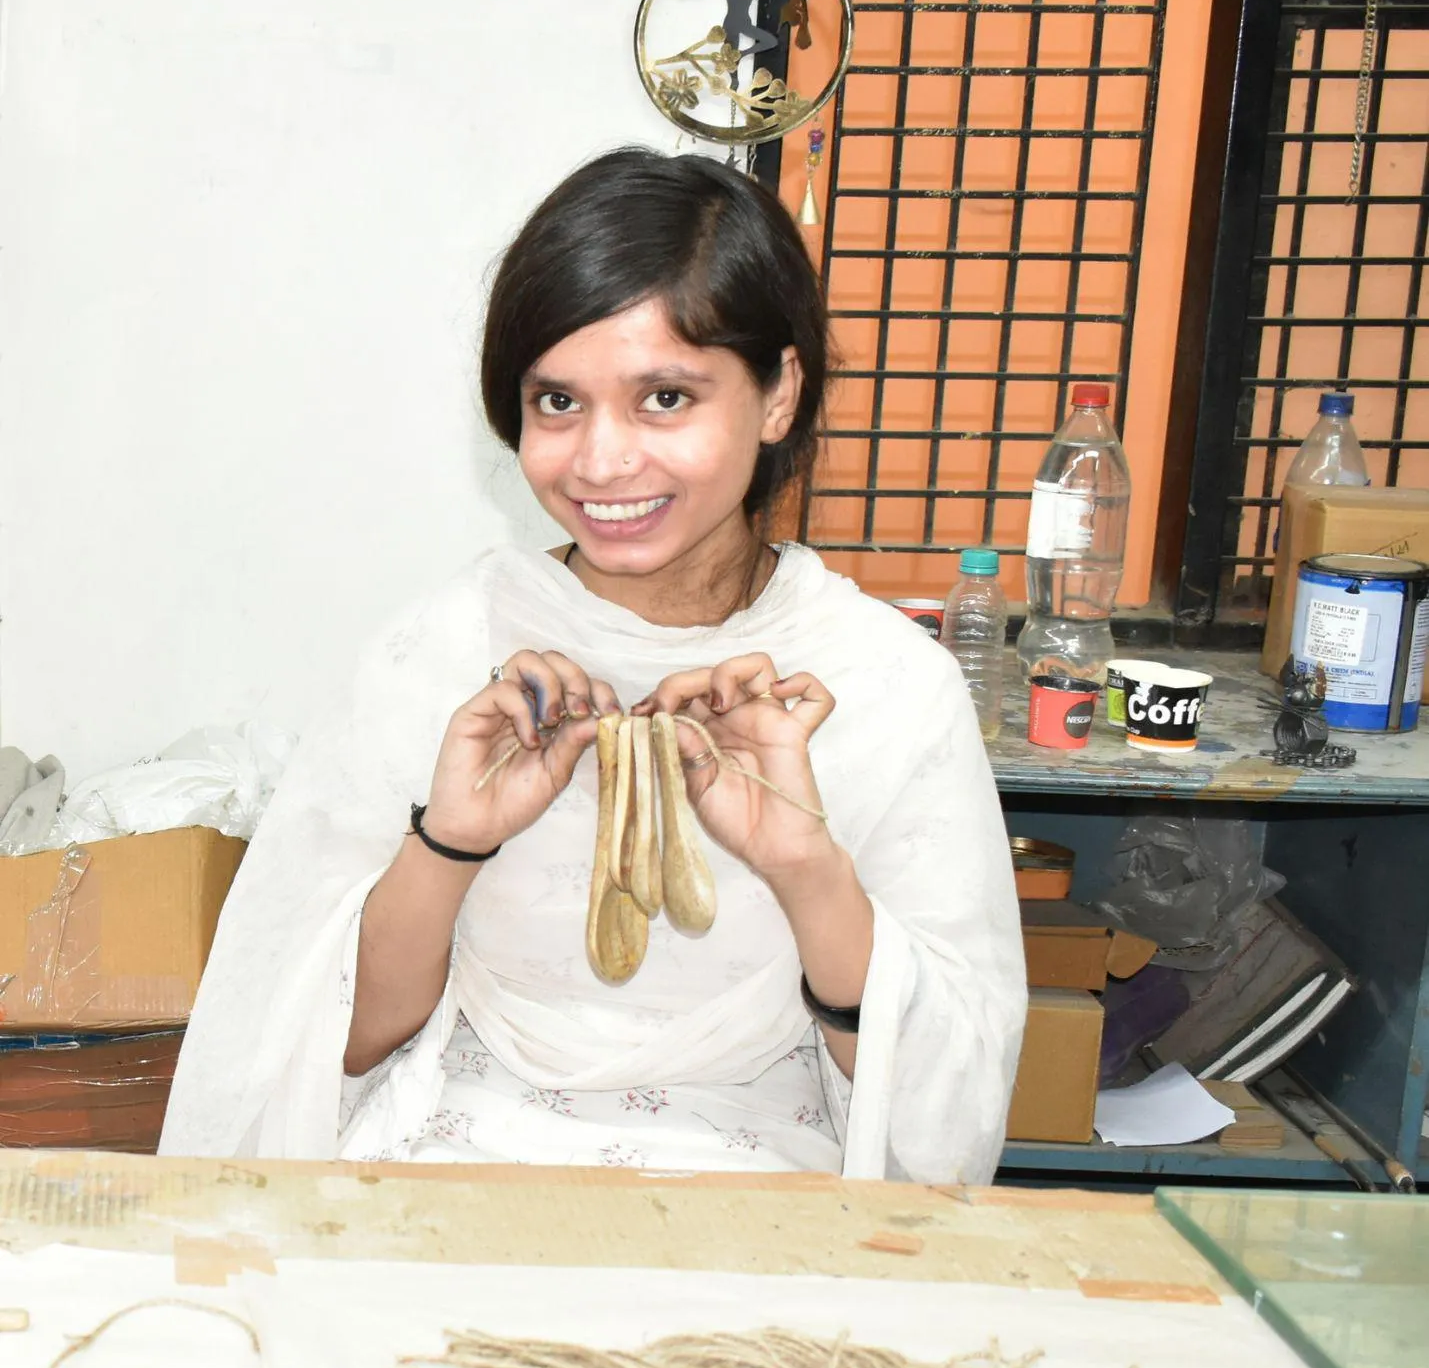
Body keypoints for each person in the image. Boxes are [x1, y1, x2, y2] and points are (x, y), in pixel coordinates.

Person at [160, 149, 1026, 1178]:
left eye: (665, 397)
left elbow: (944, 1117)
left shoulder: (883, 685)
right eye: (557, 402)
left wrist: (803, 865)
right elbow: (315, 1047)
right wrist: (449, 841)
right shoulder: (442, 652)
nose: (601, 461)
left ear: (780, 392)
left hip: (764, 1191)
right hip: (459, 1161)